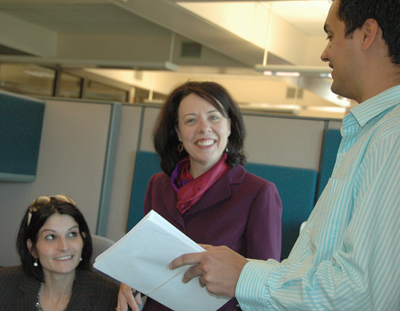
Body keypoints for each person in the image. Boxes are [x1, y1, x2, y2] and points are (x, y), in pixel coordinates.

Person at [169, 0, 400, 310]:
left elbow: (361, 291)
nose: (324, 52)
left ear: (367, 34)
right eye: (189, 121)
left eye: (331, 36)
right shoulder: (368, 134)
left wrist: (244, 275)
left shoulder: (391, 137)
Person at [118, 81, 283, 311]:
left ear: (229, 126)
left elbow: (263, 286)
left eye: (214, 117)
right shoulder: (158, 185)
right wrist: (131, 279)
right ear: (178, 132)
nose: (204, 128)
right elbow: (147, 255)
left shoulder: (258, 193)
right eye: (191, 120)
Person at [0, 194, 119, 310]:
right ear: (32, 248)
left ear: (83, 240)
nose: (64, 246)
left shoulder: (110, 298)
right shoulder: (4, 284)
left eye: (72, 234)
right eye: (51, 237)